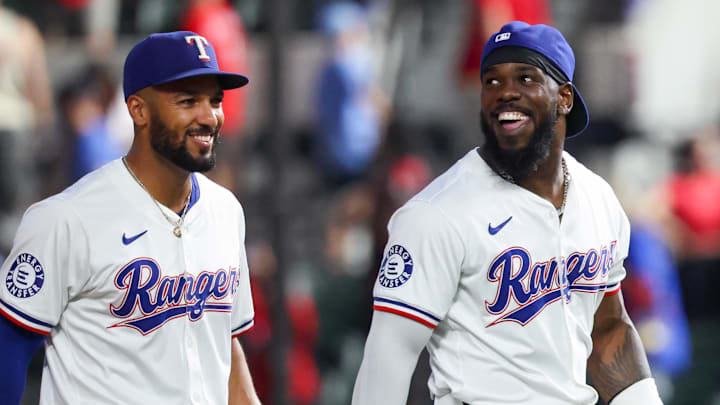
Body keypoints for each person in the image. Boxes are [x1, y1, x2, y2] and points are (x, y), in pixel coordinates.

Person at [352, 21, 663, 405]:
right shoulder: (436, 213)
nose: (505, 93)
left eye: (526, 77)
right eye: (492, 82)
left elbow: (609, 326)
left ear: (564, 97)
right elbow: (389, 355)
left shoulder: (598, 197)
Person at [0, 31, 261, 405]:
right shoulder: (65, 218)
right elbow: (7, 352)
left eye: (215, 100)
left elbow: (225, 346)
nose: (209, 116)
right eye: (188, 101)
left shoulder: (226, 211)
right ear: (138, 110)